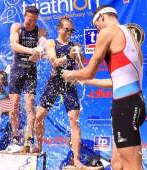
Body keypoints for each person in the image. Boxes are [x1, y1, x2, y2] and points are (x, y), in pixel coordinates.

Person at [62, 6, 146, 170]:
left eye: (96, 26)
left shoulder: (108, 32)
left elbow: (88, 71)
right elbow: (119, 80)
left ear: (101, 17)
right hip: (136, 102)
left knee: (132, 166)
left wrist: (70, 74)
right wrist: (88, 82)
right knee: (117, 163)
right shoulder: (131, 36)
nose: (97, 29)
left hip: (125, 106)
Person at [34, 16, 88, 168]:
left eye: (72, 30)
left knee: (74, 120)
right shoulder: (52, 42)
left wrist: (79, 55)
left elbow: (82, 64)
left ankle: (76, 159)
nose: (70, 32)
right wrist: (68, 56)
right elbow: (53, 61)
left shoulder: (75, 44)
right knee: (39, 116)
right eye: (67, 29)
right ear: (59, 29)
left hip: (69, 82)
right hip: (54, 82)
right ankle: (39, 145)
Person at [8, 5, 47, 152]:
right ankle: (14, 136)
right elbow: (14, 46)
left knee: (29, 104)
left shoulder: (40, 31)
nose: (32, 23)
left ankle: (29, 138)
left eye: (35, 20)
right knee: (14, 104)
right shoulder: (16, 27)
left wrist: (40, 52)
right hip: (17, 70)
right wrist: (32, 50)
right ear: (25, 16)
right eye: (30, 20)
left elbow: (43, 45)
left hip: (30, 71)